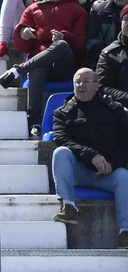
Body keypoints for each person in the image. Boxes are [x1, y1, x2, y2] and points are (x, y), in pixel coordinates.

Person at [0, 0, 88, 132]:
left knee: (60, 45)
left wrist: (65, 36)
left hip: (65, 65)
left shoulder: (77, 10)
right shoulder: (33, 9)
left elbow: (81, 47)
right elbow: (21, 46)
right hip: (40, 65)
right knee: (37, 70)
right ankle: (34, 122)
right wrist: (22, 32)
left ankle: (17, 71)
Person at [48, 68, 128, 244]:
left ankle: (125, 232)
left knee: (123, 176)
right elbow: (62, 139)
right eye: (77, 82)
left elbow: (125, 142)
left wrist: (111, 164)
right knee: (60, 152)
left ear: (97, 85)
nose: (81, 85)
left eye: (86, 81)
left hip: (108, 172)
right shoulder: (62, 112)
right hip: (79, 171)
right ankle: (68, 206)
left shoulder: (116, 110)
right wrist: (91, 155)